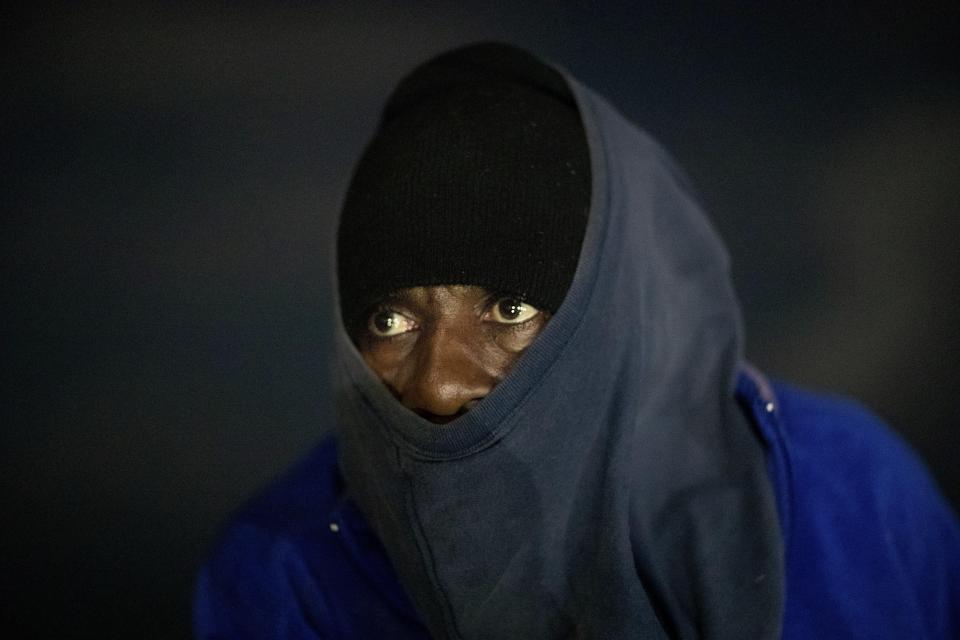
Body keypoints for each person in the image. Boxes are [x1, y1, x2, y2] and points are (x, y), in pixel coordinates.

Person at [193, 43, 960, 639]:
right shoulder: (286, 575)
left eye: (511, 309)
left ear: (616, 309)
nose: (437, 386)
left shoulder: (855, 498)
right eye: (391, 322)